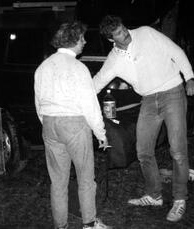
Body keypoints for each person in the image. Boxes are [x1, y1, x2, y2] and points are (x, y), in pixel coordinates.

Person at [93, 15, 194, 222]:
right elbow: (97, 81)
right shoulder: (114, 59)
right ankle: (154, 195)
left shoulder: (146, 33)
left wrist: (190, 77)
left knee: (177, 150)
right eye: (119, 35)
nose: (126, 34)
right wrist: (77, 100)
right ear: (110, 40)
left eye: (124, 29)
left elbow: (176, 52)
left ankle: (179, 199)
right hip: (149, 100)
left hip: (173, 92)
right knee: (143, 151)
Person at [34, 21, 112, 229]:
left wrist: (48, 123)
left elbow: (38, 102)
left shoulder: (43, 67)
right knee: (86, 178)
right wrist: (101, 134)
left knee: (58, 182)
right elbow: (90, 105)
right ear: (73, 40)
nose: (85, 42)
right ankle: (89, 223)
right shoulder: (78, 68)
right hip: (74, 124)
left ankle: (61, 226)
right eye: (82, 38)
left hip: (49, 124)